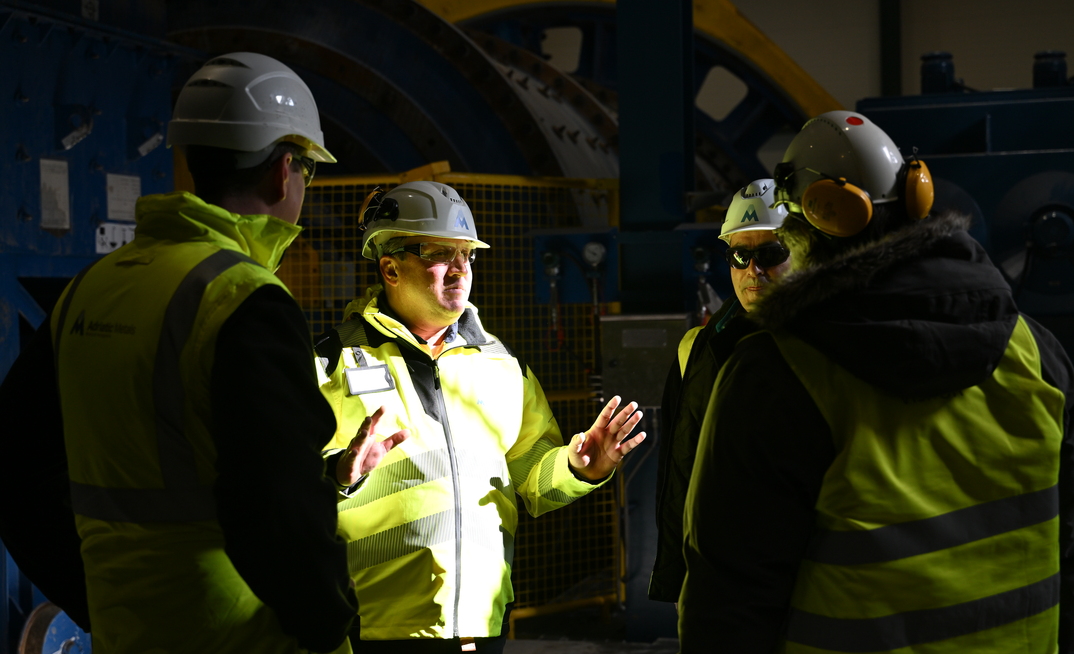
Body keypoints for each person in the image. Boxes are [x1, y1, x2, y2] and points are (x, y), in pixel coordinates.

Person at [0, 52, 365, 654]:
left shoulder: (91, 288)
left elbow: (14, 473)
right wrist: (332, 626)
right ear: (283, 171)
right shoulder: (245, 298)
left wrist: (94, 600)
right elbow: (281, 512)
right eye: (308, 170)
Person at [678, 109, 1074, 653]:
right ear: (916, 196)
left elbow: (728, 599)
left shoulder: (778, 376)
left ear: (810, 223)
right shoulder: (1035, 351)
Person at [314, 180, 647, 653]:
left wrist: (577, 468)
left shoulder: (501, 366)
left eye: (467, 255)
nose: (459, 269)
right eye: (440, 254)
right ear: (389, 267)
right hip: (373, 630)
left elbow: (532, 481)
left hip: (482, 625)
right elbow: (276, 491)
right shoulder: (330, 364)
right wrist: (336, 477)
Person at [648, 179, 791, 605]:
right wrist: (679, 572)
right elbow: (680, 469)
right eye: (740, 255)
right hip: (717, 577)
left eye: (770, 254)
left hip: (797, 578)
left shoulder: (829, 345)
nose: (754, 269)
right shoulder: (698, 347)